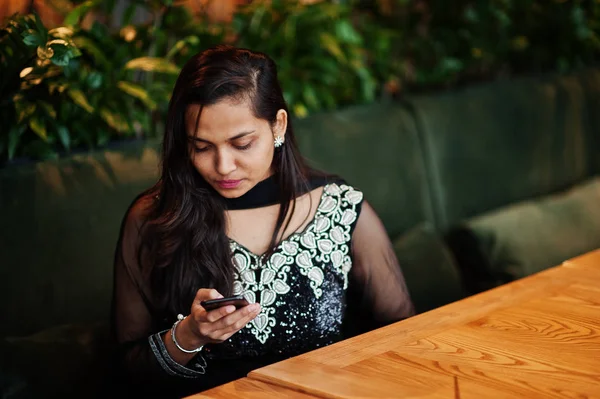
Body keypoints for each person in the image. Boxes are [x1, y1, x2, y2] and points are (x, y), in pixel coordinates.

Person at [111, 45, 414, 398]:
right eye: (201, 147)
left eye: (242, 144)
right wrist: (189, 336)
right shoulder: (155, 218)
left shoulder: (337, 207)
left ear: (278, 125)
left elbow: (402, 335)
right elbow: (126, 368)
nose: (223, 166)